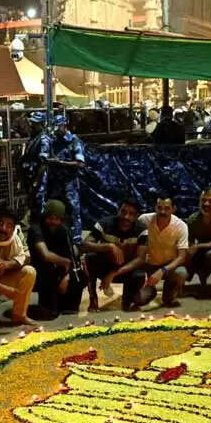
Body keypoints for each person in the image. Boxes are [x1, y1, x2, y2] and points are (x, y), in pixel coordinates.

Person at [121, 195, 188, 310]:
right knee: (139, 300)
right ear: (155, 207)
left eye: (167, 208)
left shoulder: (181, 226)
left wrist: (162, 270)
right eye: (159, 207)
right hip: (147, 265)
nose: (162, 211)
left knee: (181, 272)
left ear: (173, 209)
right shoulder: (144, 220)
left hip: (168, 267)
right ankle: (150, 291)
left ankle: (169, 294)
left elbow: (181, 257)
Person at [81, 197, 145, 312]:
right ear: (118, 211)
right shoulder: (104, 223)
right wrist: (109, 246)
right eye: (123, 212)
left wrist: (114, 274)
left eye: (131, 214)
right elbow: (85, 244)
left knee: (139, 274)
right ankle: (93, 300)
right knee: (89, 258)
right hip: (105, 266)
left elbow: (140, 259)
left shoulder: (142, 230)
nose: (126, 217)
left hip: (125, 269)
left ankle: (128, 301)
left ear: (136, 216)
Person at [28, 200, 85, 317]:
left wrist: (67, 276)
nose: (53, 222)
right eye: (50, 218)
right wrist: (65, 262)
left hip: (61, 272)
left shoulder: (64, 229)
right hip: (43, 273)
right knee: (50, 314)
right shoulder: (36, 229)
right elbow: (45, 255)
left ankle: (66, 304)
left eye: (57, 218)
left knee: (80, 275)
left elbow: (74, 254)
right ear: (45, 217)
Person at [43, 115, 85, 244]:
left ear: (65, 126)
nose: (56, 131)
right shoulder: (53, 141)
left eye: (58, 128)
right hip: (55, 183)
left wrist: (61, 163)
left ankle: (76, 240)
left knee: (73, 211)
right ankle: (54, 237)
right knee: (53, 210)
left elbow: (80, 163)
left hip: (69, 183)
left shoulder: (73, 141)